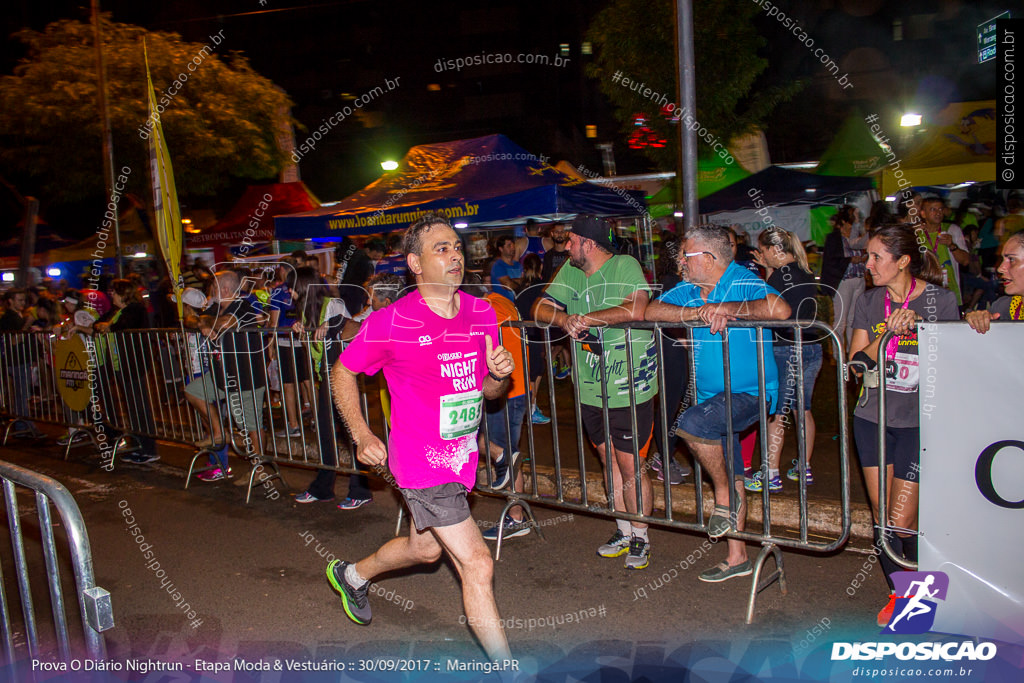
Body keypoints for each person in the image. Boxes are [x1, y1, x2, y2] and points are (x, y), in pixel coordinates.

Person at [327, 214, 514, 661]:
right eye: (441, 249)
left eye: (456, 247)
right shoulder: (393, 321)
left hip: (460, 456)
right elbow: (343, 370)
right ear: (414, 263)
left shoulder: (481, 311)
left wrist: (497, 375)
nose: (454, 255)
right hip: (421, 460)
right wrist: (360, 432)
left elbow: (490, 393)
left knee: (425, 549)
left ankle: (351, 576)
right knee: (478, 563)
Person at [645, 224, 791, 583]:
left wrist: (728, 308)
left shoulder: (742, 279)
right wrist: (695, 313)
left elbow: (781, 309)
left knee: (692, 426)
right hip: (714, 396)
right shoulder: (691, 290)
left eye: (687, 255)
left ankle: (724, 495)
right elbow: (650, 310)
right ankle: (737, 555)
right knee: (732, 467)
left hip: (752, 393)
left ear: (709, 259)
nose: (681, 261)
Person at [847, 224, 958, 626]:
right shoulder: (869, 301)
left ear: (903, 261)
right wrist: (888, 335)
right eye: (868, 255)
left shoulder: (940, 301)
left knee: (902, 518)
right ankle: (902, 594)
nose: (869, 263)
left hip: (918, 424)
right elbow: (856, 366)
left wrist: (922, 332)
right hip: (871, 420)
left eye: (877, 256)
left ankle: (920, 599)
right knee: (883, 518)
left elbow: (953, 367)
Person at [533, 214, 657, 570]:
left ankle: (642, 537)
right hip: (588, 386)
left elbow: (637, 307)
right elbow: (540, 306)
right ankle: (623, 530)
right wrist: (564, 319)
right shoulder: (570, 273)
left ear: (588, 243)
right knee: (608, 459)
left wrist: (588, 318)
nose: (566, 246)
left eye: (570, 240)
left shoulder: (624, 265)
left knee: (632, 464)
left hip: (628, 384)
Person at [747, 228, 822, 492]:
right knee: (803, 409)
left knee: (777, 412)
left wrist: (767, 272)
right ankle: (804, 467)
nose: (763, 256)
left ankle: (771, 473)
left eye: (765, 251)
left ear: (774, 250)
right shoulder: (805, 272)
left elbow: (766, 304)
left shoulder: (780, 275)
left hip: (786, 348)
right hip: (812, 346)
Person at [184, 270, 269, 481]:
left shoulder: (243, 306)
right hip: (221, 375)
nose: (210, 292)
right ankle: (219, 432)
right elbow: (190, 319)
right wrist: (203, 323)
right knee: (194, 391)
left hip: (246, 376)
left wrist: (207, 322)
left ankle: (260, 469)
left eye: (213, 287)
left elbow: (225, 322)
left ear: (224, 289)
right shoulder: (215, 307)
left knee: (251, 425)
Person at [94, 279, 159, 463]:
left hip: (133, 364)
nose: (111, 295)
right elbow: (99, 323)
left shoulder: (135, 309)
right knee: (132, 408)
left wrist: (108, 327)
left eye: (114, 292)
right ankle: (138, 446)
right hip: (120, 365)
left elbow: (123, 326)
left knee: (140, 408)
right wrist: (102, 325)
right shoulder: (115, 311)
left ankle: (148, 449)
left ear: (123, 294)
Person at [821, 205, 867, 346]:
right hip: (843, 281)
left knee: (855, 319)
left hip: (859, 279)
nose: (851, 228)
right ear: (841, 225)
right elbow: (831, 260)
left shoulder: (857, 238)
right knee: (841, 320)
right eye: (848, 225)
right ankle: (838, 355)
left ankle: (851, 352)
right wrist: (850, 260)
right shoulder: (834, 239)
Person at [514, 254, 550, 425]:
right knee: (536, 372)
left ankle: (530, 407)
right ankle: (532, 409)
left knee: (529, 372)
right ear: (540, 268)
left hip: (521, 334)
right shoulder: (541, 288)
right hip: (534, 333)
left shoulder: (520, 288)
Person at [966, 232, 1024, 333]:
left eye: (1011, 259)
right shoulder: (1002, 307)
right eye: (1002, 259)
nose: (1001, 268)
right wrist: (977, 322)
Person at [918, 197, 969, 308]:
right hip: (923, 291)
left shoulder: (952, 230)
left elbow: (965, 261)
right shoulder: (916, 234)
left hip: (949, 290)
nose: (938, 213)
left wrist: (952, 245)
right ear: (923, 214)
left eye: (941, 209)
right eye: (933, 210)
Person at [489, 235, 522, 302]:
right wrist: (520, 282)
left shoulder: (518, 265)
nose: (513, 248)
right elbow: (508, 285)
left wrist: (512, 281)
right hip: (503, 306)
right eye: (509, 245)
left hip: (517, 305)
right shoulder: (498, 266)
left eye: (513, 245)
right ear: (501, 249)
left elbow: (526, 281)